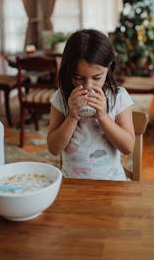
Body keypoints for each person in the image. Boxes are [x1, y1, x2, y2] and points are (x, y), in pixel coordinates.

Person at [47, 29, 135, 180]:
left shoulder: (118, 97)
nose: (88, 86)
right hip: (72, 183)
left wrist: (103, 116)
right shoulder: (61, 98)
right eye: (79, 78)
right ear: (69, 72)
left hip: (112, 184)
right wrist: (72, 117)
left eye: (97, 77)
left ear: (109, 68)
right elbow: (54, 149)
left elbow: (128, 147)